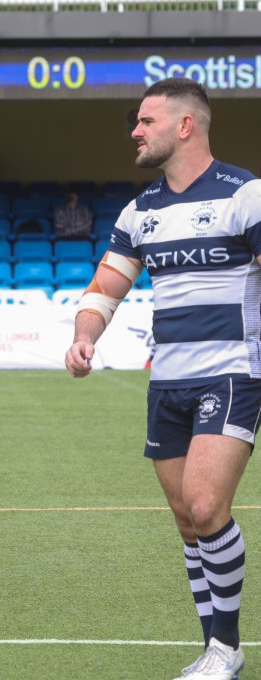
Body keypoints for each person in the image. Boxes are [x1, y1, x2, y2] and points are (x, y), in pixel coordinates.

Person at [64, 78, 261, 680]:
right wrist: (85, 334)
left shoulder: (245, 195)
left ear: (185, 126)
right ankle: (214, 648)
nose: (135, 131)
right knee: (187, 520)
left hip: (230, 375)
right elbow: (106, 287)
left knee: (207, 505)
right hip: (167, 382)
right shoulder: (140, 209)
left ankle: (225, 649)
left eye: (146, 121)